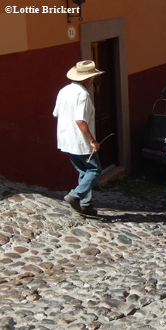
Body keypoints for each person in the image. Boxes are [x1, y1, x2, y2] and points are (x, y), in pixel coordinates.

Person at [53, 60, 105, 216]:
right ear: (88, 79)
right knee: (95, 170)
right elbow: (80, 120)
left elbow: (56, 113)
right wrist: (92, 141)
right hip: (80, 141)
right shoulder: (82, 95)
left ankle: (86, 205)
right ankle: (75, 196)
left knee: (84, 171)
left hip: (66, 140)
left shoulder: (63, 91)